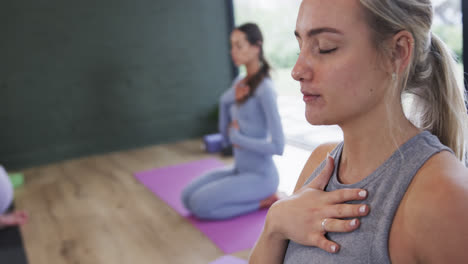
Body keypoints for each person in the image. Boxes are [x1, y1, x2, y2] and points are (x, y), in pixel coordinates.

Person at [249, 0, 468, 263]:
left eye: (325, 48)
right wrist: (275, 224)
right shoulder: (320, 162)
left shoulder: (444, 197)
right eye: (300, 48)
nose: (297, 71)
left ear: (397, 52)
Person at [181, 23, 285, 220]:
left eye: (239, 45)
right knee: (186, 197)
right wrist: (228, 101)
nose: (233, 51)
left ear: (256, 47)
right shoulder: (239, 84)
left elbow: (279, 146)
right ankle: (254, 197)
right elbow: (225, 140)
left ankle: (263, 201)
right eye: (232, 46)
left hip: (262, 177)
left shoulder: (266, 90)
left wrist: (238, 137)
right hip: (240, 170)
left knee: (200, 205)